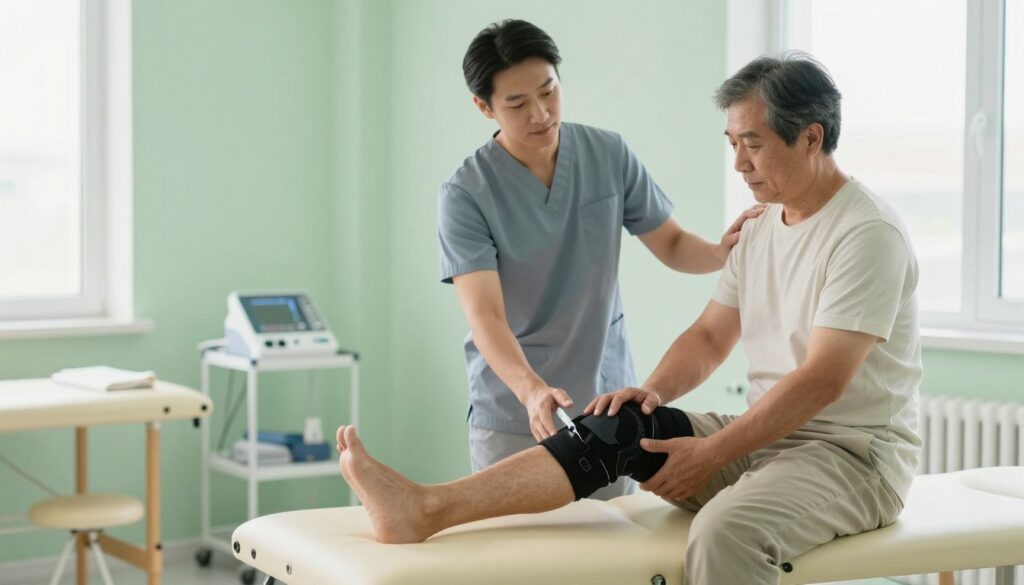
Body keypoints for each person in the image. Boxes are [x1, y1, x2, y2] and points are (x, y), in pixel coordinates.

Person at [346, 51, 922, 584]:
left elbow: (824, 379)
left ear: (811, 138)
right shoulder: (764, 225)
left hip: (851, 457)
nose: (740, 164)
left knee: (727, 532)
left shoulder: (865, 233)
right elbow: (708, 335)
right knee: (619, 425)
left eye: (753, 144)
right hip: (768, 441)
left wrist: (714, 453)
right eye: (732, 144)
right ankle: (424, 508)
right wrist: (648, 394)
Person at [440, 19, 763, 499]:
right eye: (517, 104)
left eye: (548, 92)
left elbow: (671, 244)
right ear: (484, 107)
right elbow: (485, 315)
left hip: (605, 404)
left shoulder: (607, 154)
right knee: (516, 560)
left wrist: (722, 252)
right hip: (515, 409)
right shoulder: (467, 193)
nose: (541, 113)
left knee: (607, 554)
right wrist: (531, 392)